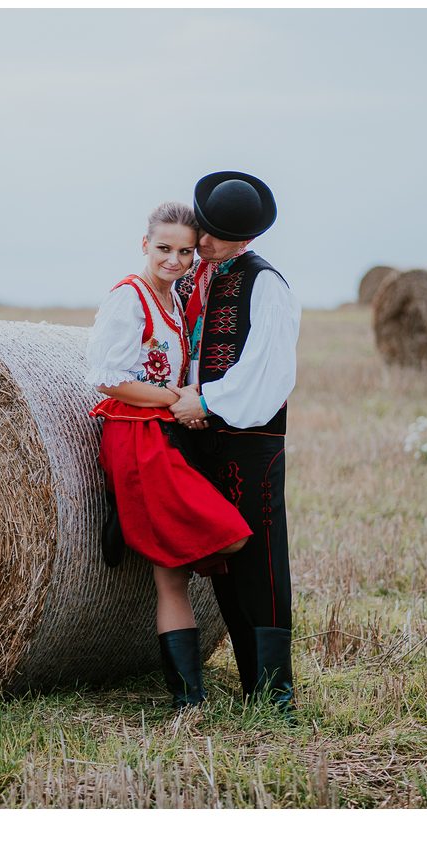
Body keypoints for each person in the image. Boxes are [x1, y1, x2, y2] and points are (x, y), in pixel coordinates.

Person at [86, 201, 253, 709]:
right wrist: (175, 400)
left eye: (184, 251)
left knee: (173, 574)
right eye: (164, 248)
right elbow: (108, 376)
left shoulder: (174, 300)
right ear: (144, 245)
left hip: (163, 432)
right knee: (229, 536)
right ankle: (127, 513)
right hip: (136, 434)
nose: (175, 260)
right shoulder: (129, 298)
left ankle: (188, 701)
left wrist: (189, 402)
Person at [167, 171, 301, 717]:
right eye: (206, 229)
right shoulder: (196, 275)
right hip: (205, 432)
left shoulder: (264, 283)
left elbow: (269, 372)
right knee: (220, 553)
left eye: (217, 236)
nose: (203, 241)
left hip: (250, 439)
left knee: (259, 555)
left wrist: (209, 400)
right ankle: (251, 684)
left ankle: (275, 693)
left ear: (245, 239)